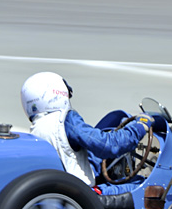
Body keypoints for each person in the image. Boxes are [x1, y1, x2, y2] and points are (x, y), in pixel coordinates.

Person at [20, 72, 152, 193]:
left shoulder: (37, 128)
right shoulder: (65, 120)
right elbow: (109, 145)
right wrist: (139, 126)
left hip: (60, 190)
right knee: (145, 185)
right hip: (83, 194)